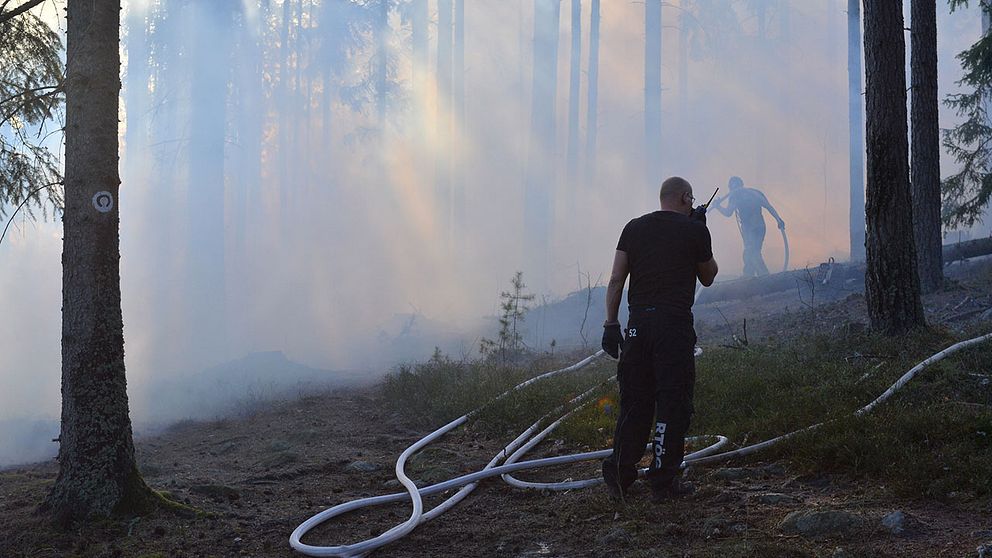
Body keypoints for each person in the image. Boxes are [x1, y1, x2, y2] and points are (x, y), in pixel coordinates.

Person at [600, 176, 718, 503]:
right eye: (691, 200)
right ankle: (663, 483)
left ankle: (621, 477)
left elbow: (615, 279)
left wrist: (611, 323)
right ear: (684, 197)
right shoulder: (695, 230)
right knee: (673, 401)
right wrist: (699, 232)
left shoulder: (633, 228)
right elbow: (708, 276)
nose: (693, 204)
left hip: (638, 324)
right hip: (674, 326)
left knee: (635, 402)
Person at [711, 176, 784, 277]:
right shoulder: (745, 194)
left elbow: (767, 206)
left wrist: (779, 220)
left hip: (756, 228)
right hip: (753, 228)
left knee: (752, 252)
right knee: (751, 251)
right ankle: (749, 276)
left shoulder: (749, 194)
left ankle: (764, 276)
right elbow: (768, 206)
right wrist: (778, 219)